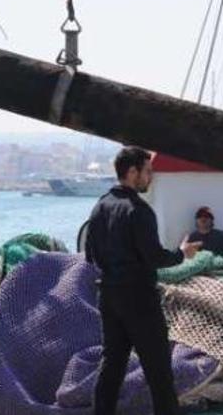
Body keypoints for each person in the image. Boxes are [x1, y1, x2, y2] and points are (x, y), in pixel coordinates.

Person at [85, 146, 201, 415]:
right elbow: (154, 257)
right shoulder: (138, 210)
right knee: (158, 370)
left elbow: (91, 256)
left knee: (112, 365)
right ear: (132, 172)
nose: (151, 177)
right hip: (139, 299)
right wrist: (181, 255)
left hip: (109, 297)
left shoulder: (99, 207)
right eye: (148, 172)